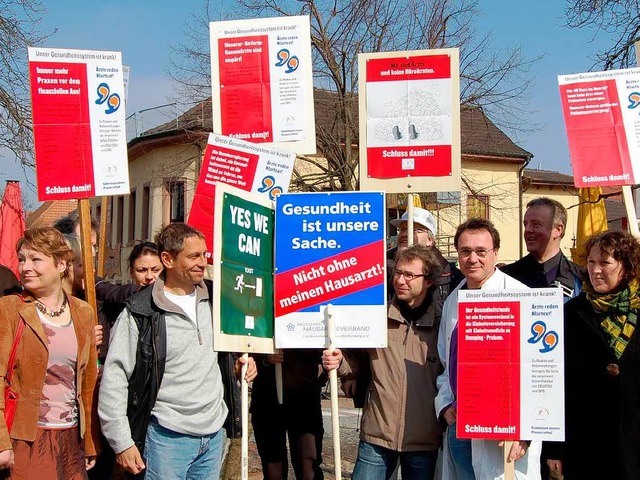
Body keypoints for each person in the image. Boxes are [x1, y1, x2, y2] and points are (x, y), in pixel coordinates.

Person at [98, 223, 257, 479]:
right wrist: (122, 441)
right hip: (165, 439)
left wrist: (242, 364)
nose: (202, 262)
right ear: (168, 259)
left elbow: (230, 353)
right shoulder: (139, 311)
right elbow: (115, 379)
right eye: (193, 256)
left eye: (204, 255)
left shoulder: (218, 300)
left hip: (214, 435)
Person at [323, 245, 445, 480]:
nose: (400, 280)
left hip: (425, 443)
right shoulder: (377, 317)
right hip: (376, 437)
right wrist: (340, 361)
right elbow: (354, 358)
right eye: (397, 273)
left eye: (410, 275)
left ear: (428, 281)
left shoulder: (442, 324)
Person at [435, 219, 541, 479]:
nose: (473, 258)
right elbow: (447, 363)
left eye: (481, 251)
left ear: (495, 253)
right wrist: (445, 404)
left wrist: (524, 431)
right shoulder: (453, 300)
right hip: (459, 424)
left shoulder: (520, 296)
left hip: (505, 433)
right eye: (465, 251)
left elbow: (538, 371)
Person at [0, 227, 99, 478]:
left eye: (35, 259)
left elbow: (87, 384)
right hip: (25, 438)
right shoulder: (10, 309)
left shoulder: (83, 312)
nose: (25, 267)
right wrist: (2, 442)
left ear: (61, 264)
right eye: (22, 259)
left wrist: (89, 442)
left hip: (71, 437)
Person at [545, 231, 640, 479]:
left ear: (627, 267)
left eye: (605, 263)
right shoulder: (572, 313)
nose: (595, 270)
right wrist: (556, 447)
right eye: (591, 262)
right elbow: (557, 384)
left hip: (634, 442)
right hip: (586, 443)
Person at [250, 350, 326, 480]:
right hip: (267, 399)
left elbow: (326, 346)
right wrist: (264, 359)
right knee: (273, 468)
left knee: (308, 466)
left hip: (305, 399)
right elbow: (243, 347)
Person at [502, 198, 583, 300]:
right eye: (525, 224)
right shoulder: (506, 277)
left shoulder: (581, 280)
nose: (528, 230)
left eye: (536, 224)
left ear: (558, 230)